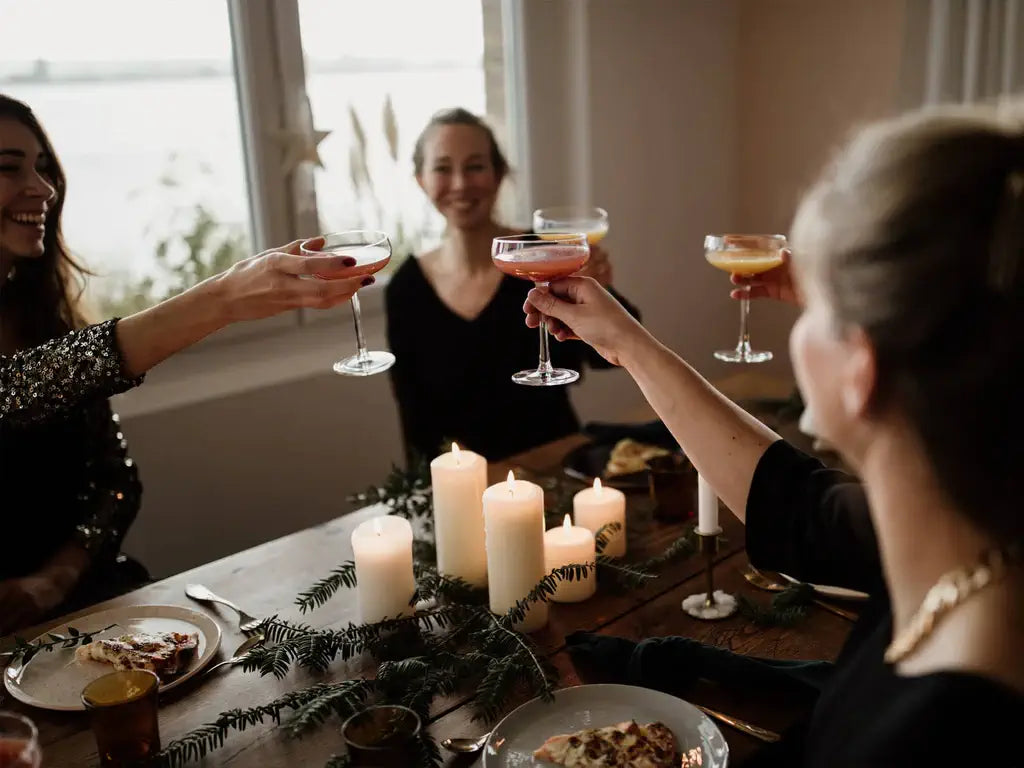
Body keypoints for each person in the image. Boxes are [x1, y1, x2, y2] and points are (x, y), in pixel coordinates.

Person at [524, 101, 1023, 765]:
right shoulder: (968, 533)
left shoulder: (939, 732)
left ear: (861, 367)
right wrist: (628, 347)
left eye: (819, 303)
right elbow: (797, 507)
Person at [0, 94, 369, 634]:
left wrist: (58, 577)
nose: (43, 188)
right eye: (10, 169)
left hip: (92, 604)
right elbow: (14, 390)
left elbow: (114, 479)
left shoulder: (43, 316)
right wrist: (222, 297)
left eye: (44, 169)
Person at [385, 107, 639, 462]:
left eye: (475, 166)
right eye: (443, 168)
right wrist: (428, 495)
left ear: (498, 174)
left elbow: (615, 359)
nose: (460, 183)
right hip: (462, 482)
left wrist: (600, 292)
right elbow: (413, 414)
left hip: (556, 464)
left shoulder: (546, 254)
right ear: (421, 179)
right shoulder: (405, 288)